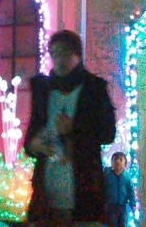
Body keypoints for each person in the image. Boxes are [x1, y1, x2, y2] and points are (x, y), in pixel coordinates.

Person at [24, 28, 116, 226]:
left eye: (65, 53)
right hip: (47, 186)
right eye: (54, 54)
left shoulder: (94, 88)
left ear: (77, 56)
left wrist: (75, 127)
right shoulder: (43, 90)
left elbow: (108, 133)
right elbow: (30, 138)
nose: (59, 60)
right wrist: (34, 144)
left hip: (83, 186)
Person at [103, 150, 136, 227]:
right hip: (111, 206)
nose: (118, 161)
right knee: (112, 223)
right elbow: (104, 189)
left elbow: (131, 191)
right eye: (115, 159)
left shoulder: (127, 177)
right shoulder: (107, 176)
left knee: (122, 223)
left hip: (122, 206)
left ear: (125, 164)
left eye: (121, 160)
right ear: (111, 163)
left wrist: (133, 204)